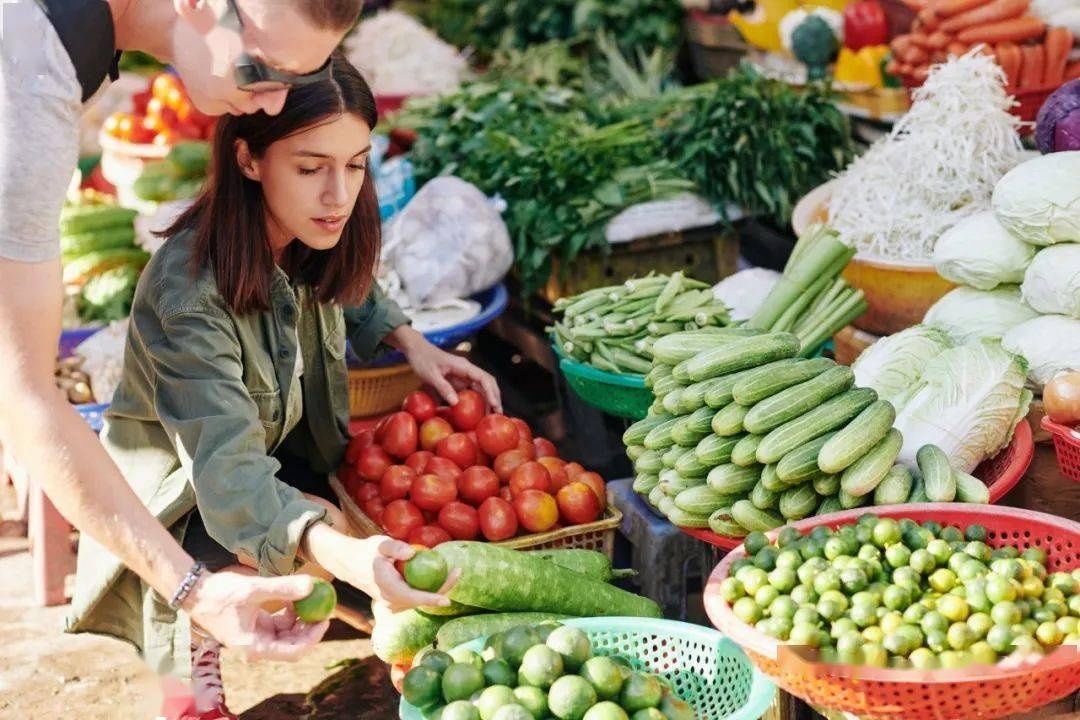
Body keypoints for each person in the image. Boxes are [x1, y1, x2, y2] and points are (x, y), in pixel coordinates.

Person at [0, 0, 491, 684]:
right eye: (268, 69)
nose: (339, 193)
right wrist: (301, 558)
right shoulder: (189, 288)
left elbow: (356, 291)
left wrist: (413, 342)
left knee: (339, 533)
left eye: (355, 166)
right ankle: (188, 657)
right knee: (316, 531)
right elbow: (223, 473)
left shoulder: (308, 231)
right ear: (251, 161)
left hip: (268, 455)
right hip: (186, 497)